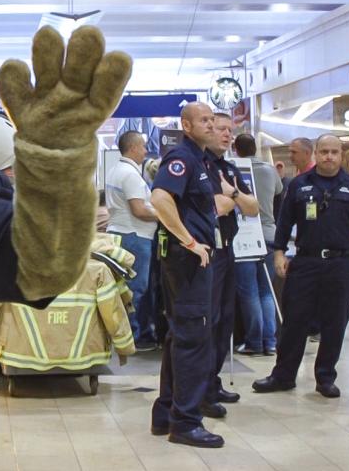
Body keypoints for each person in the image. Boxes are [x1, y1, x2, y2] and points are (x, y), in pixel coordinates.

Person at [251, 135, 349, 399]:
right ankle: (283, 375)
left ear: (341, 155)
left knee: (334, 322)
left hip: (342, 263)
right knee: (294, 321)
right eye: (324, 152)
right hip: (306, 262)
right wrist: (279, 254)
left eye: (334, 152)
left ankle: (325, 377)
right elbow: (283, 223)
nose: (329, 156)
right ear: (315, 154)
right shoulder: (299, 185)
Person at [148, 102, 223, 448]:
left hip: (190, 259)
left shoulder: (202, 160)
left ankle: (166, 413)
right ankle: (186, 422)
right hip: (187, 261)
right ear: (187, 125)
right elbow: (160, 198)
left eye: (212, 119)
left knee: (180, 337)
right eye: (203, 120)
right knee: (193, 339)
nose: (211, 124)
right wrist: (190, 240)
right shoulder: (183, 157)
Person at [203, 113, 259, 417]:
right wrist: (229, 199)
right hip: (206, 252)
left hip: (228, 250)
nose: (226, 135)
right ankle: (202, 388)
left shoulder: (229, 169)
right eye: (221, 129)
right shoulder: (199, 165)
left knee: (225, 319)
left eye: (230, 130)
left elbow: (252, 208)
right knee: (208, 322)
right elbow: (214, 207)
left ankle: (213, 381)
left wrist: (233, 193)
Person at [106, 130, 159, 348]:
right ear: (134, 148)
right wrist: (165, 214)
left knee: (126, 288)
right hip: (135, 237)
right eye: (143, 147)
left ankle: (133, 333)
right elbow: (139, 210)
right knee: (135, 289)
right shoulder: (130, 174)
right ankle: (132, 336)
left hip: (122, 234)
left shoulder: (115, 170)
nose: (146, 151)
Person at [233, 134, 281, 356]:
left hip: (244, 235)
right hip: (270, 234)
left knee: (249, 291)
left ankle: (254, 341)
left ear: (236, 149)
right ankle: (270, 342)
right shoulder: (270, 170)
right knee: (266, 291)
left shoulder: (233, 169)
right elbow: (279, 191)